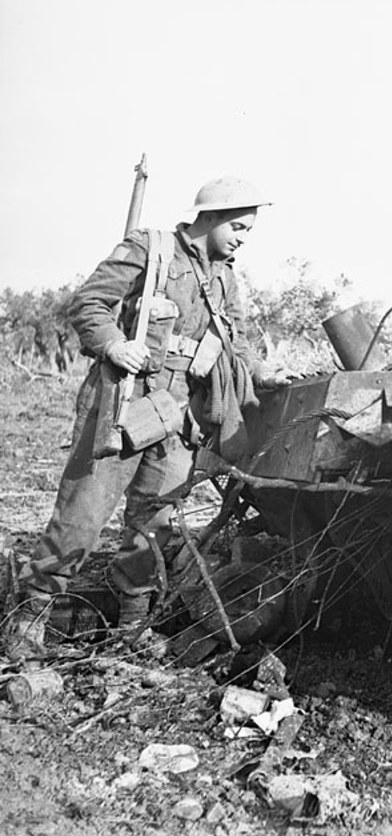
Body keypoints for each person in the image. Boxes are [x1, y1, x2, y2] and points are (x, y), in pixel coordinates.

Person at [5, 177, 291, 657]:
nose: (243, 237)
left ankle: (132, 625)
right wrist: (115, 343)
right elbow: (89, 303)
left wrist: (264, 371)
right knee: (82, 514)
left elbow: (235, 340)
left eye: (248, 229)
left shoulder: (225, 275)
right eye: (238, 226)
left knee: (154, 521)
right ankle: (28, 620)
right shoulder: (151, 249)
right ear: (210, 217)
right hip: (126, 398)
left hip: (181, 412)